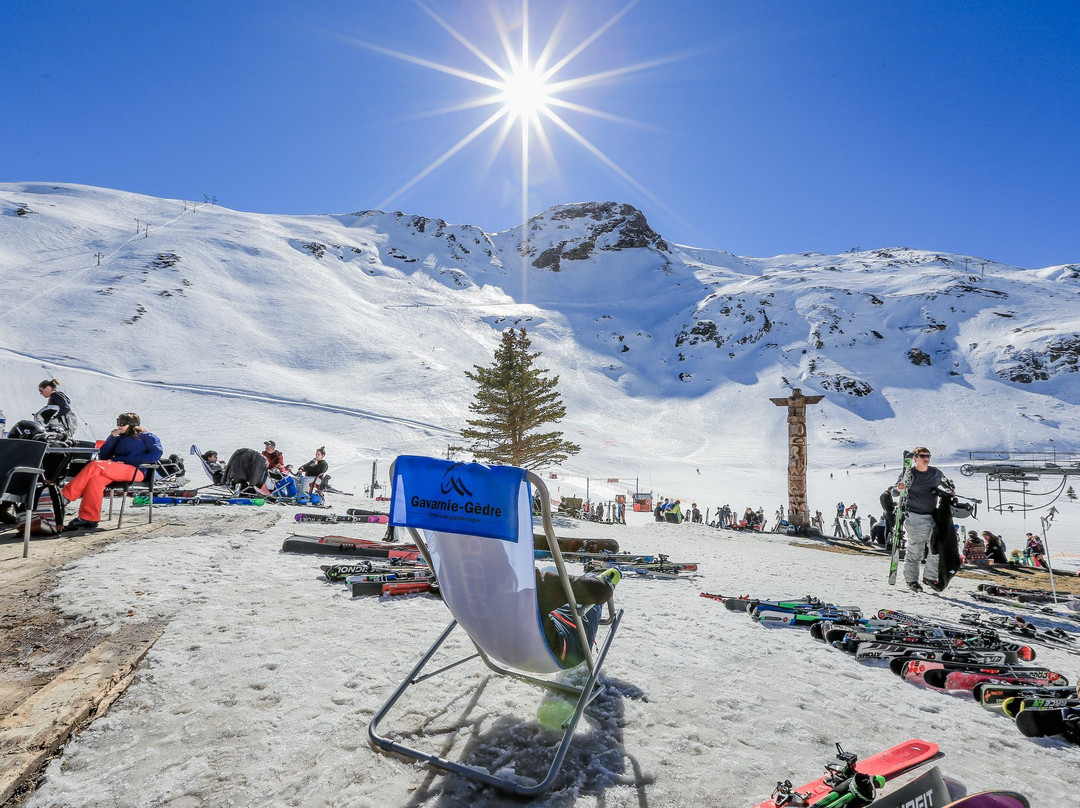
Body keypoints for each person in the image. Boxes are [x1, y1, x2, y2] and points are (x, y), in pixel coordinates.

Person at [61, 412, 163, 530]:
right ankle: (89, 518)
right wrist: (112, 438)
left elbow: (156, 454)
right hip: (117, 468)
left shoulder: (147, 436)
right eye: (118, 423)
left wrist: (127, 460)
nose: (119, 426)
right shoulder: (120, 438)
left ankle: (66, 496)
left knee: (96, 465)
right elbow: (103, 456)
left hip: (136, 471)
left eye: (122, 423)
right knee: (95, 480)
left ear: (132, 425)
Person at [892, 446, 952, 592]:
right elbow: (894, 491)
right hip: (914, 516)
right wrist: (899, 488)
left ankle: (929, 577)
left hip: (933, 516)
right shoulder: (909, 474)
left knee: (936, 547)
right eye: (923, 456)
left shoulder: (936, 473)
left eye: (928, 456)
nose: (926, 458)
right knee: (916, 549)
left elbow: (948, 486)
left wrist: (949, 491)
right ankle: (912, 580)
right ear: (915, 458)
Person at [536, 567, 620, 668]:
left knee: (551, 569)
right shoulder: (537, 581)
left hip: (514, 655)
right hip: (561, 652)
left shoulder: (515, 587)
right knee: (592, 585)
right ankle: (591, 576)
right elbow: (602, 590)